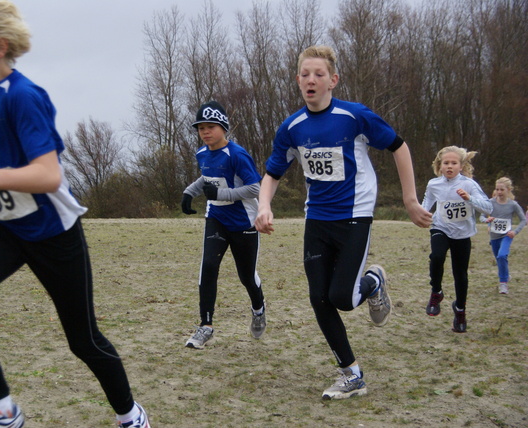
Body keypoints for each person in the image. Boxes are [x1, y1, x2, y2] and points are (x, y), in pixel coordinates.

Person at [0, 1, 149, 427]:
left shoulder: (24, 96)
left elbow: (47, 175)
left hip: (54, 234)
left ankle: (131, 417)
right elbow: (2, 166)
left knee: (83, 341)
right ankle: (2, 412)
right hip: (6, 230)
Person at [254, 45, 432, 400]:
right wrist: (264, 206)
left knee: (343, 298)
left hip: (354, 216)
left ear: (333, 80)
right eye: (305, 74)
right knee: (319, 299)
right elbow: (272, 173)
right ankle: (351, 375)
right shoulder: (291, 127)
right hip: (316, 219)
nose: (311, 80)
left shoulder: (354, 116)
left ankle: (374, 280)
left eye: (319, 74)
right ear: (297, 81)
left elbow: (399, 147)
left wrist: (410, 200)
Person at [181, 101, 266, 349]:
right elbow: (207, 178)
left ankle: (259, 309)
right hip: (216, 219)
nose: (205, 132)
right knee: (208, 266)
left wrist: (222, 195)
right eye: (201, 128)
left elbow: (254, 188)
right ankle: (205, 326)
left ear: (224, 128)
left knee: (247, 276)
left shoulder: (237, 155)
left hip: (243, 223)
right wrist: (190, 192)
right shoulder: (201, 154)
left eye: (211, 127)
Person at [421, 146, 492, 333]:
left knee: (460, 274)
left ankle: (460, 310)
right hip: (440, 227)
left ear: (461, 166)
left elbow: (488, 208)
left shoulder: (469, 184)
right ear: (440, 166)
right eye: (446, 163)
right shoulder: (433, 184)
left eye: (454, 163)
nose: (449, 166)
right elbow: (426, 205)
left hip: (462, 234)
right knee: (436, 256)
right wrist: (421, 215)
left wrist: (469, 198)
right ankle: (436, 291)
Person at [481, 177, 526, 294]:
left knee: (502, 256)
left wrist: (515, 232)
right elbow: (481, 216)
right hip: (494, 237)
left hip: (506, 236)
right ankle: (506, 275)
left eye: (502, 190)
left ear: (509, 190)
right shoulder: (490, 203)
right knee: (500, 259)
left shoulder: (513, 205)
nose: (499, 192)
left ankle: (503, 284)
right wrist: (487, 220)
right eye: (497, 189)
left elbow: (523, 220)